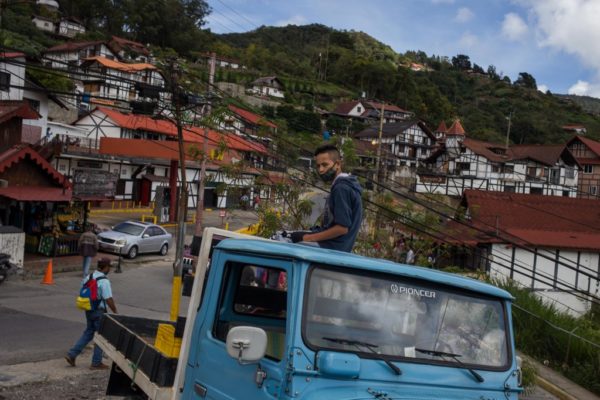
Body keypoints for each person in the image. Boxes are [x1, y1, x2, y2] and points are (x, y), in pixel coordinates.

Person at [290, 144, 363, 252]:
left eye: (325, 165)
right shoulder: (343, 185)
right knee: (290, 235)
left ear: (337, 164)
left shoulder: (341, 188)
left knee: (281, 239)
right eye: (318, 166)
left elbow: (342, 228)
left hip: (333, 246)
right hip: (336, 245)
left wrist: (308, 238)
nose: (321, 170)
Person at [65, 258, 118, 370]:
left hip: (89, 309)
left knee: (89, 332)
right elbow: (108, 298)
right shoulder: (104, 281)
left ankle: (72, 354)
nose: (110, 270)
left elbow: (82, 291)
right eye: (109, 267)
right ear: (106, 267)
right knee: (100, 336)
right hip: (99, 311)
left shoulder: (89, 277)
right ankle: (96, 362)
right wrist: (115, 312)